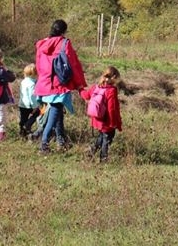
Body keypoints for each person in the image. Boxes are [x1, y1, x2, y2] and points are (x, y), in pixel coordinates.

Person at [34, 19, 87, 154]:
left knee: (57, 113)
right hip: (59, 85)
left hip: (44, 84)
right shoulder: (64, 43)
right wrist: (79, 84)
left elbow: (39, 66)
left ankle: (61, 140)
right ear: (64, 31)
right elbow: (73, 64)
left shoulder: (42, 44)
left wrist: (41, 81)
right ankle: (44, 144)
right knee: (55, 113)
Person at [80, 66, 124, 162]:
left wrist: (80, 89)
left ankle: (91, 151)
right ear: (114, 77)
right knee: (106, 140)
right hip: (107, 122)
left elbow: (86, 96)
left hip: (97, 120)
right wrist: (114, 123)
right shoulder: (111, 90)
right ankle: (103, 160)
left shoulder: (96, 87)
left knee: (102, 137)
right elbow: (112, 109)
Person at [17, 63, 40, 139]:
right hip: (30, 105)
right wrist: (35, 107)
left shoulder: (23, 82)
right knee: (37, 113)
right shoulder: (33, 83)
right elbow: (32, 96)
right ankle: (28, 125)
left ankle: (22, 134)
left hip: (22, 104)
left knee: (23, 119)